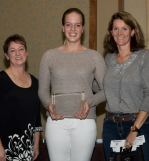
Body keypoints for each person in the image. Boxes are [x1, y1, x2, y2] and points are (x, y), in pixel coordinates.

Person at [38, 8, 106, 161]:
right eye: (69, 25)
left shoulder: (94, 57)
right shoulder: (49, 56)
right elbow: (42, 90)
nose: (73, 29)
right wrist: (48, 105)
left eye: (77, 25)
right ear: (63, 27)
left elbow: (107, 91)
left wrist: (90, 102)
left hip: (85, 123)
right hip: (56, 123)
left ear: (83, 28)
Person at [102, 11, 149, 161]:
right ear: (111, 32)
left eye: (124, 28)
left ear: (133, 32)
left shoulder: (145, 57)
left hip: (138, 124)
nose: (120, 33)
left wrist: (135, 129)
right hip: (110, 127)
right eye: (115, 28)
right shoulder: (107, 59)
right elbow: (99, 89)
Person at [0, 34, 42, 161]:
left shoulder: (36, 82)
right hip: (5, 148)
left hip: (27, 148)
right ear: (6, 56)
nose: (18, 53)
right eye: (12, 50)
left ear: (26, 52)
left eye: (21, 49)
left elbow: (37, 119)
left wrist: (36, 144)